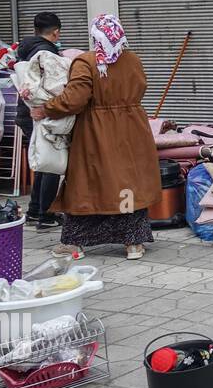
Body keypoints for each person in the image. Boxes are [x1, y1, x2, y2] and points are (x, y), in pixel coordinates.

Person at [29, 14, 161, 260]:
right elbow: (141, 86)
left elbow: (74, 99)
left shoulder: (87, 62)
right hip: (132, 128)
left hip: (96, 130)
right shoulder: (133, 60)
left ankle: (75, 243)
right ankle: (133, 243)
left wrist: (46, 108)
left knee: (87, 182)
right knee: (126, 181)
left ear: (95, 37)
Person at [14, 11, 63, 229]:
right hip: (40, 112)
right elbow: (51, 87)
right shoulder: (45, 53)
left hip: (27, 113)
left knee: (43, 162)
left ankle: (35, 211)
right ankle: (46, 216)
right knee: (51, 161)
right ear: (55, 33)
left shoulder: (27, 49)